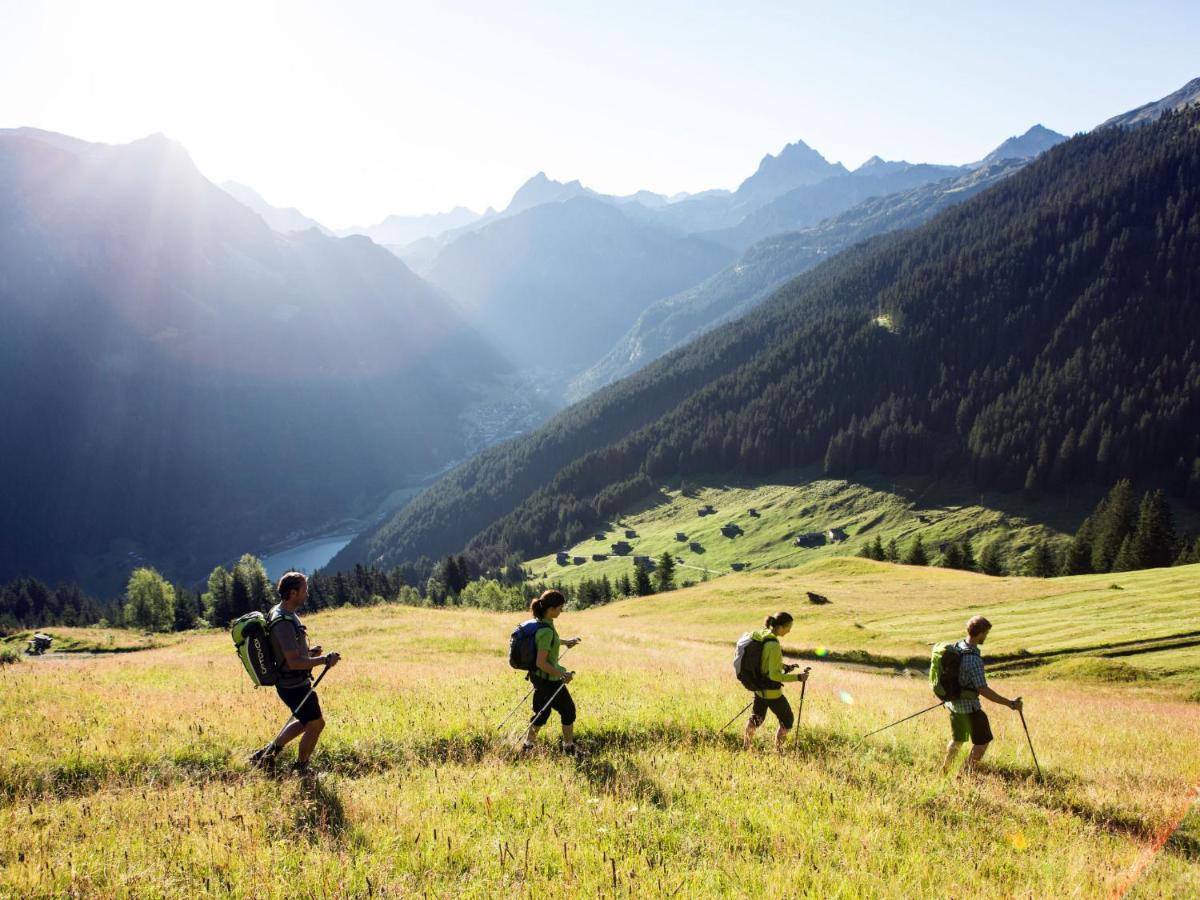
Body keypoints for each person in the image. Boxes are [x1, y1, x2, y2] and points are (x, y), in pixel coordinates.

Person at [249, 571, 341, 775]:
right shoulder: (283, 623)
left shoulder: (283, 612)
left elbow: (287, 654)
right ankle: (301, 768)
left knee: (304, 722)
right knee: (316, 724)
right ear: (292, 593)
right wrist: (324, 660)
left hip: (291, 682)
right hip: (294, 685)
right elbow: (293, 662)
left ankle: (265, 756)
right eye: (304, 590)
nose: (307, 594)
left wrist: (309, 653)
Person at [941, 615, 1022, 775]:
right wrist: (1010, 703)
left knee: (957, 740)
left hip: (953, 704)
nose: (986, 636)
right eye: (986, 633)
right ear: (980, 634)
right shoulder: (974, 660)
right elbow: (983, 689)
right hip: (970, 708)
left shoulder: (957, 647)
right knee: (982, 741)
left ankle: (945, 771)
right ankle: (964, 774)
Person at [521, 590, 582, 755]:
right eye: (560, 608)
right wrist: (562, 675)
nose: (561, 611)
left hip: (539, 678)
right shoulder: (546, 630)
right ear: (552, 609)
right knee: (568, 711)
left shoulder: (542, 622)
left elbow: (548, 642)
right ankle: (569, 748)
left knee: (541, 713)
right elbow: (541, 662)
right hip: (549, 679)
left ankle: (527, 747)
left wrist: (565, 642)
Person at [743, 612, 808, 751]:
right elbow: (774, 675)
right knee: (787, 721)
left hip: (759, 688)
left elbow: (765, 662)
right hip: (772, 692)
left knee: (756, 718)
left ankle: (746, 747)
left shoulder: (763, 635)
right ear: (779, 627)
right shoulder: (773, 645)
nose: (789, 630)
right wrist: (798, 677)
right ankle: (778, 751)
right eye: (788, 627)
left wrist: (784, 667)